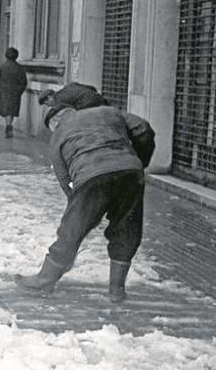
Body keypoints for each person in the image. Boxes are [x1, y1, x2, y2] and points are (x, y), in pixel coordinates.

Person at [14, 102, 155, 302]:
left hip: (90, 176)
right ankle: (117, 290)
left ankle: (45, 279)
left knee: (71, 230)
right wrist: (140, 161)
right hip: (130, 172)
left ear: (55, 121)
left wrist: (81, 209)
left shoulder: (58, 135)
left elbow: (64, 178)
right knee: (127, 228)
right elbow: (144, 129)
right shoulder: (108, 111)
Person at [0, 47, 28, 138]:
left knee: (6, 111)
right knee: (12, 111)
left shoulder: (2, 67)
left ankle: (8, 125)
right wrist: (20, 91)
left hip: (4, 92)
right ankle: (10, 124)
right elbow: (24, 82)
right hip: (15, 93)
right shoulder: (19, 68)